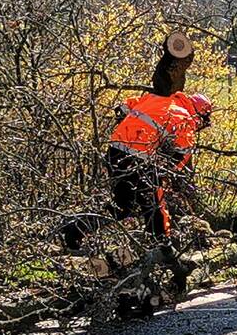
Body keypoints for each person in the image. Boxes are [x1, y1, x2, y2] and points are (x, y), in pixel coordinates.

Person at [60, 90, 213, 252]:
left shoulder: (157, 98)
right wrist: (162, 172)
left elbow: (123, 108)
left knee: (123, 205)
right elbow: (179, 158)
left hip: (115, 151)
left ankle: (76, 228)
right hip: (138, 160)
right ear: (199, 113)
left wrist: (130, 131)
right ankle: (162, 248)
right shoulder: (185, 119)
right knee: (154, 206)